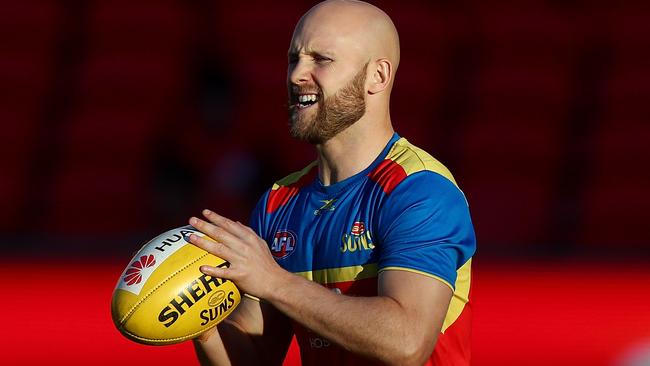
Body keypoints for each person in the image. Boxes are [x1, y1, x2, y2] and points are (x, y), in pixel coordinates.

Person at [188, 0, 476, 365]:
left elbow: (405, 343)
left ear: (378, 76)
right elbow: (252, 359)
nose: (295, 76)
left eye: (321, 59)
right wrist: (200, 319)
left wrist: (275, 282)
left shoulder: (420, 190)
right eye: (295, 59)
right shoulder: (279, 203)